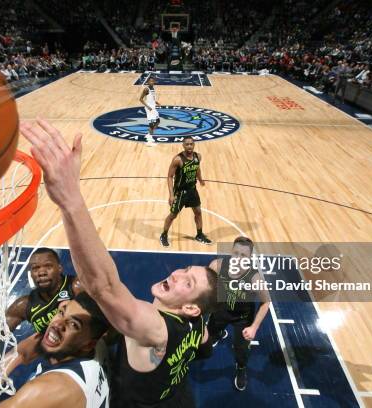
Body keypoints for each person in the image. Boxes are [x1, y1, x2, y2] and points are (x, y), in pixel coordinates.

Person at [20, 119, 218, 407]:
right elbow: (204, 340)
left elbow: (103, 287)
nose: (176, 274)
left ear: (189, 307)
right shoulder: (198, 322)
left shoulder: (156, 329)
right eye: (185, 270)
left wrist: (69, 199)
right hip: (174, 395)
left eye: (187, 282)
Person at [0, 293, 110, 408]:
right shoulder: (99, 347)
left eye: (73, 324)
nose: (57, 324)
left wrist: (15, 356)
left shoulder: (44, 391)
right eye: (62, 312)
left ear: (88, 345)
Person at [207, 236, 270, 391]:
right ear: (231, 252)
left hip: (242, 318)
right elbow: (208, 288)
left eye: (244, 255)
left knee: (241, 351)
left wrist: (254, 327)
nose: (238, 258)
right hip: (221, 311)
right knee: (210, 334)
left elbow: (266, 303)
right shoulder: (216, 266)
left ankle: (241, 368)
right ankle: (219, 333)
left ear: (250, 258)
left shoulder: (255, 279)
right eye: (236, 253)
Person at [5, 248, 81, 333]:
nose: (41, 272)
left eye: (48, 266)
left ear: (59, 268)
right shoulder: (23, 306)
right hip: (50, 344)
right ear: (30, 274)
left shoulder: (77, 287)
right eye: (35, 268)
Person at [160, 136, 212, 247]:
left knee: (198, 212)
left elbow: (197, 168)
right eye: (187, 144)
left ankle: (199, 234)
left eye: (191, 144)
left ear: (194, 145)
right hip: (180, 193)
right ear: (183, 145)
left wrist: (201, 180)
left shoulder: (198, 156)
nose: (189, 146)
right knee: (173, 216)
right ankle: (164, 235)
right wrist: (171, 195)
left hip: (192, 190)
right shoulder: (178, 159)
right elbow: (169, 176)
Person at [139, 76, 160, 147]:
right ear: (148, 82)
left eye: (153, 81)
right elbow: (141, 99)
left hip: (153, 108)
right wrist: (148, 107)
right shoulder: (146, 89)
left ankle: (148, 135)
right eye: (150, 81)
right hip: (149, 109)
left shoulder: (153, 88)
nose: (152, 82)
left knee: (158, 121)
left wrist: (156, 102)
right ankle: (149, 142)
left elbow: (152, 98)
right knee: (151, 124)